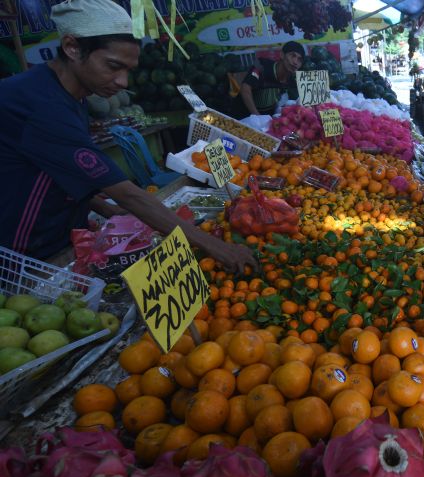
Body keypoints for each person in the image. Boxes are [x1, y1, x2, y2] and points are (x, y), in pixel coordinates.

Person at [0, 0, 255, 273]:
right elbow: (127, 194)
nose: (123, 82)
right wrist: (217, 247)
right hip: (25, 255)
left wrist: (106, 209)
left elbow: (56, 166)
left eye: (128, 70)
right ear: (72, 47)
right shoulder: (40, 105)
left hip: (64, 236)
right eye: (113, 66)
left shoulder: (71, 92)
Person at [239, 41, 304, 117]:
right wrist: (257, 116)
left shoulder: (292, 80)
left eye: (299, 59)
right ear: (282, 55)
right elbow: (245, 88)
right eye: (293, 56)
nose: (295, 62)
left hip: (267, 121)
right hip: (243, 118)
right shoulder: (262, 66)